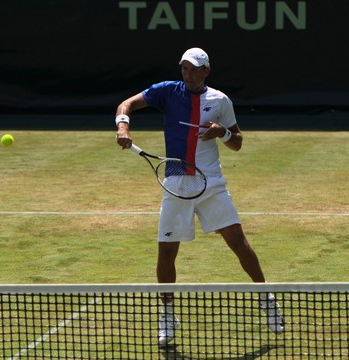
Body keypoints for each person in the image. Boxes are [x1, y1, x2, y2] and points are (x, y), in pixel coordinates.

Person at [114, 48, 284, 346]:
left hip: (212, 185)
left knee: (239, 244)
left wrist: (223, 133)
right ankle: (167, 314)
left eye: (193, 69)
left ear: (206, 70)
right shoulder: (167, 91)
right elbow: (126, 103)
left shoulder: (220, 100)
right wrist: (123, 125)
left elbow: (238, 143)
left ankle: (267, 299)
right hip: (176, 183)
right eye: (184, 69)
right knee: (166, 252)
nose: (187, 74)